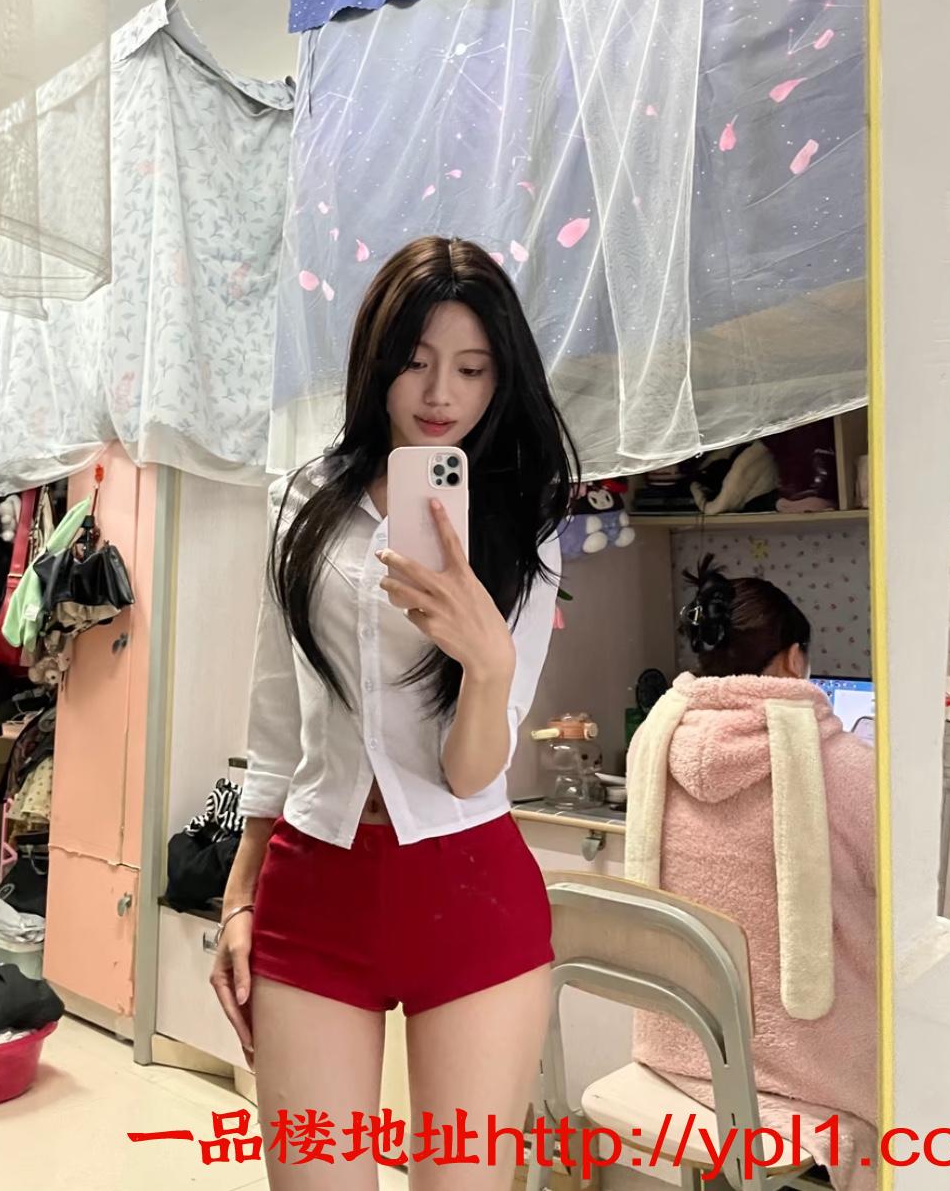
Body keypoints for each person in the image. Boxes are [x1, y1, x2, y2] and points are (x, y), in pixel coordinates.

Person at [210, 236, 578, 1189]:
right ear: (378, 362)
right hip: (313, 888)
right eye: (416, 361)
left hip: (471, 891)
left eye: (472, 368)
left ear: (501, 378)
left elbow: (469, 772)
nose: (440, 393)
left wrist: (487, 661)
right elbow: (277, 716)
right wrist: (240, 894)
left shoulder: (524, 531)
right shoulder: (304, 504)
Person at [624, 556, 877, 1189]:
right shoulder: (849, 770)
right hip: (806, 1080)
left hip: (678, 1050)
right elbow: (897, 903)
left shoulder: (655, 748)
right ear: (794, 660)